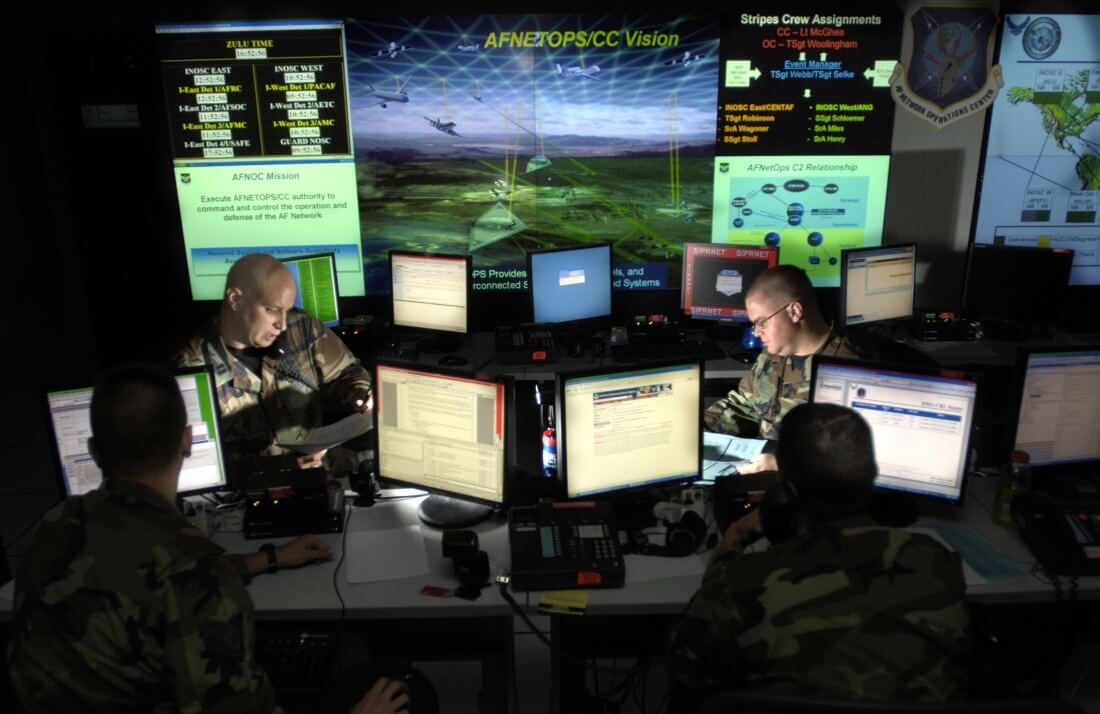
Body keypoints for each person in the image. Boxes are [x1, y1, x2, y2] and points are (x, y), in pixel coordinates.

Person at [6, 364, 408, 714]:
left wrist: (268, 558)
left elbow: (142, 579)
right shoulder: (196, 576)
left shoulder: (55, 526)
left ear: (93, 451)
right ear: (186, 441)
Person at [667, 403, 969, 706]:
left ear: (785, 492)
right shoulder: (934, 560)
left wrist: (732, 542)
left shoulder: (744, 581)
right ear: (872, 476)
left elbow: (687, 670)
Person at [175, 253, 372, 481]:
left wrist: (360, 393)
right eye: (271, 309)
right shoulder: (190, 370)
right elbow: (196, 469)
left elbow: (347, 373)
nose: (282, 324)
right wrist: (278, 467)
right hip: (246, 495)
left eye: (286, 310)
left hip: (321, 476)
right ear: (235, 299)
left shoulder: (301, 328)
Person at [704, 265, 859, 473]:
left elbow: (853, 459)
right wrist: (696, 429)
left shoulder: (849, 371)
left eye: (762, 322)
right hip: (757, 468)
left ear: (795, 311)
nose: (756, 332)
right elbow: (744, 405)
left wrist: (781, 464)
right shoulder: (773, 354)